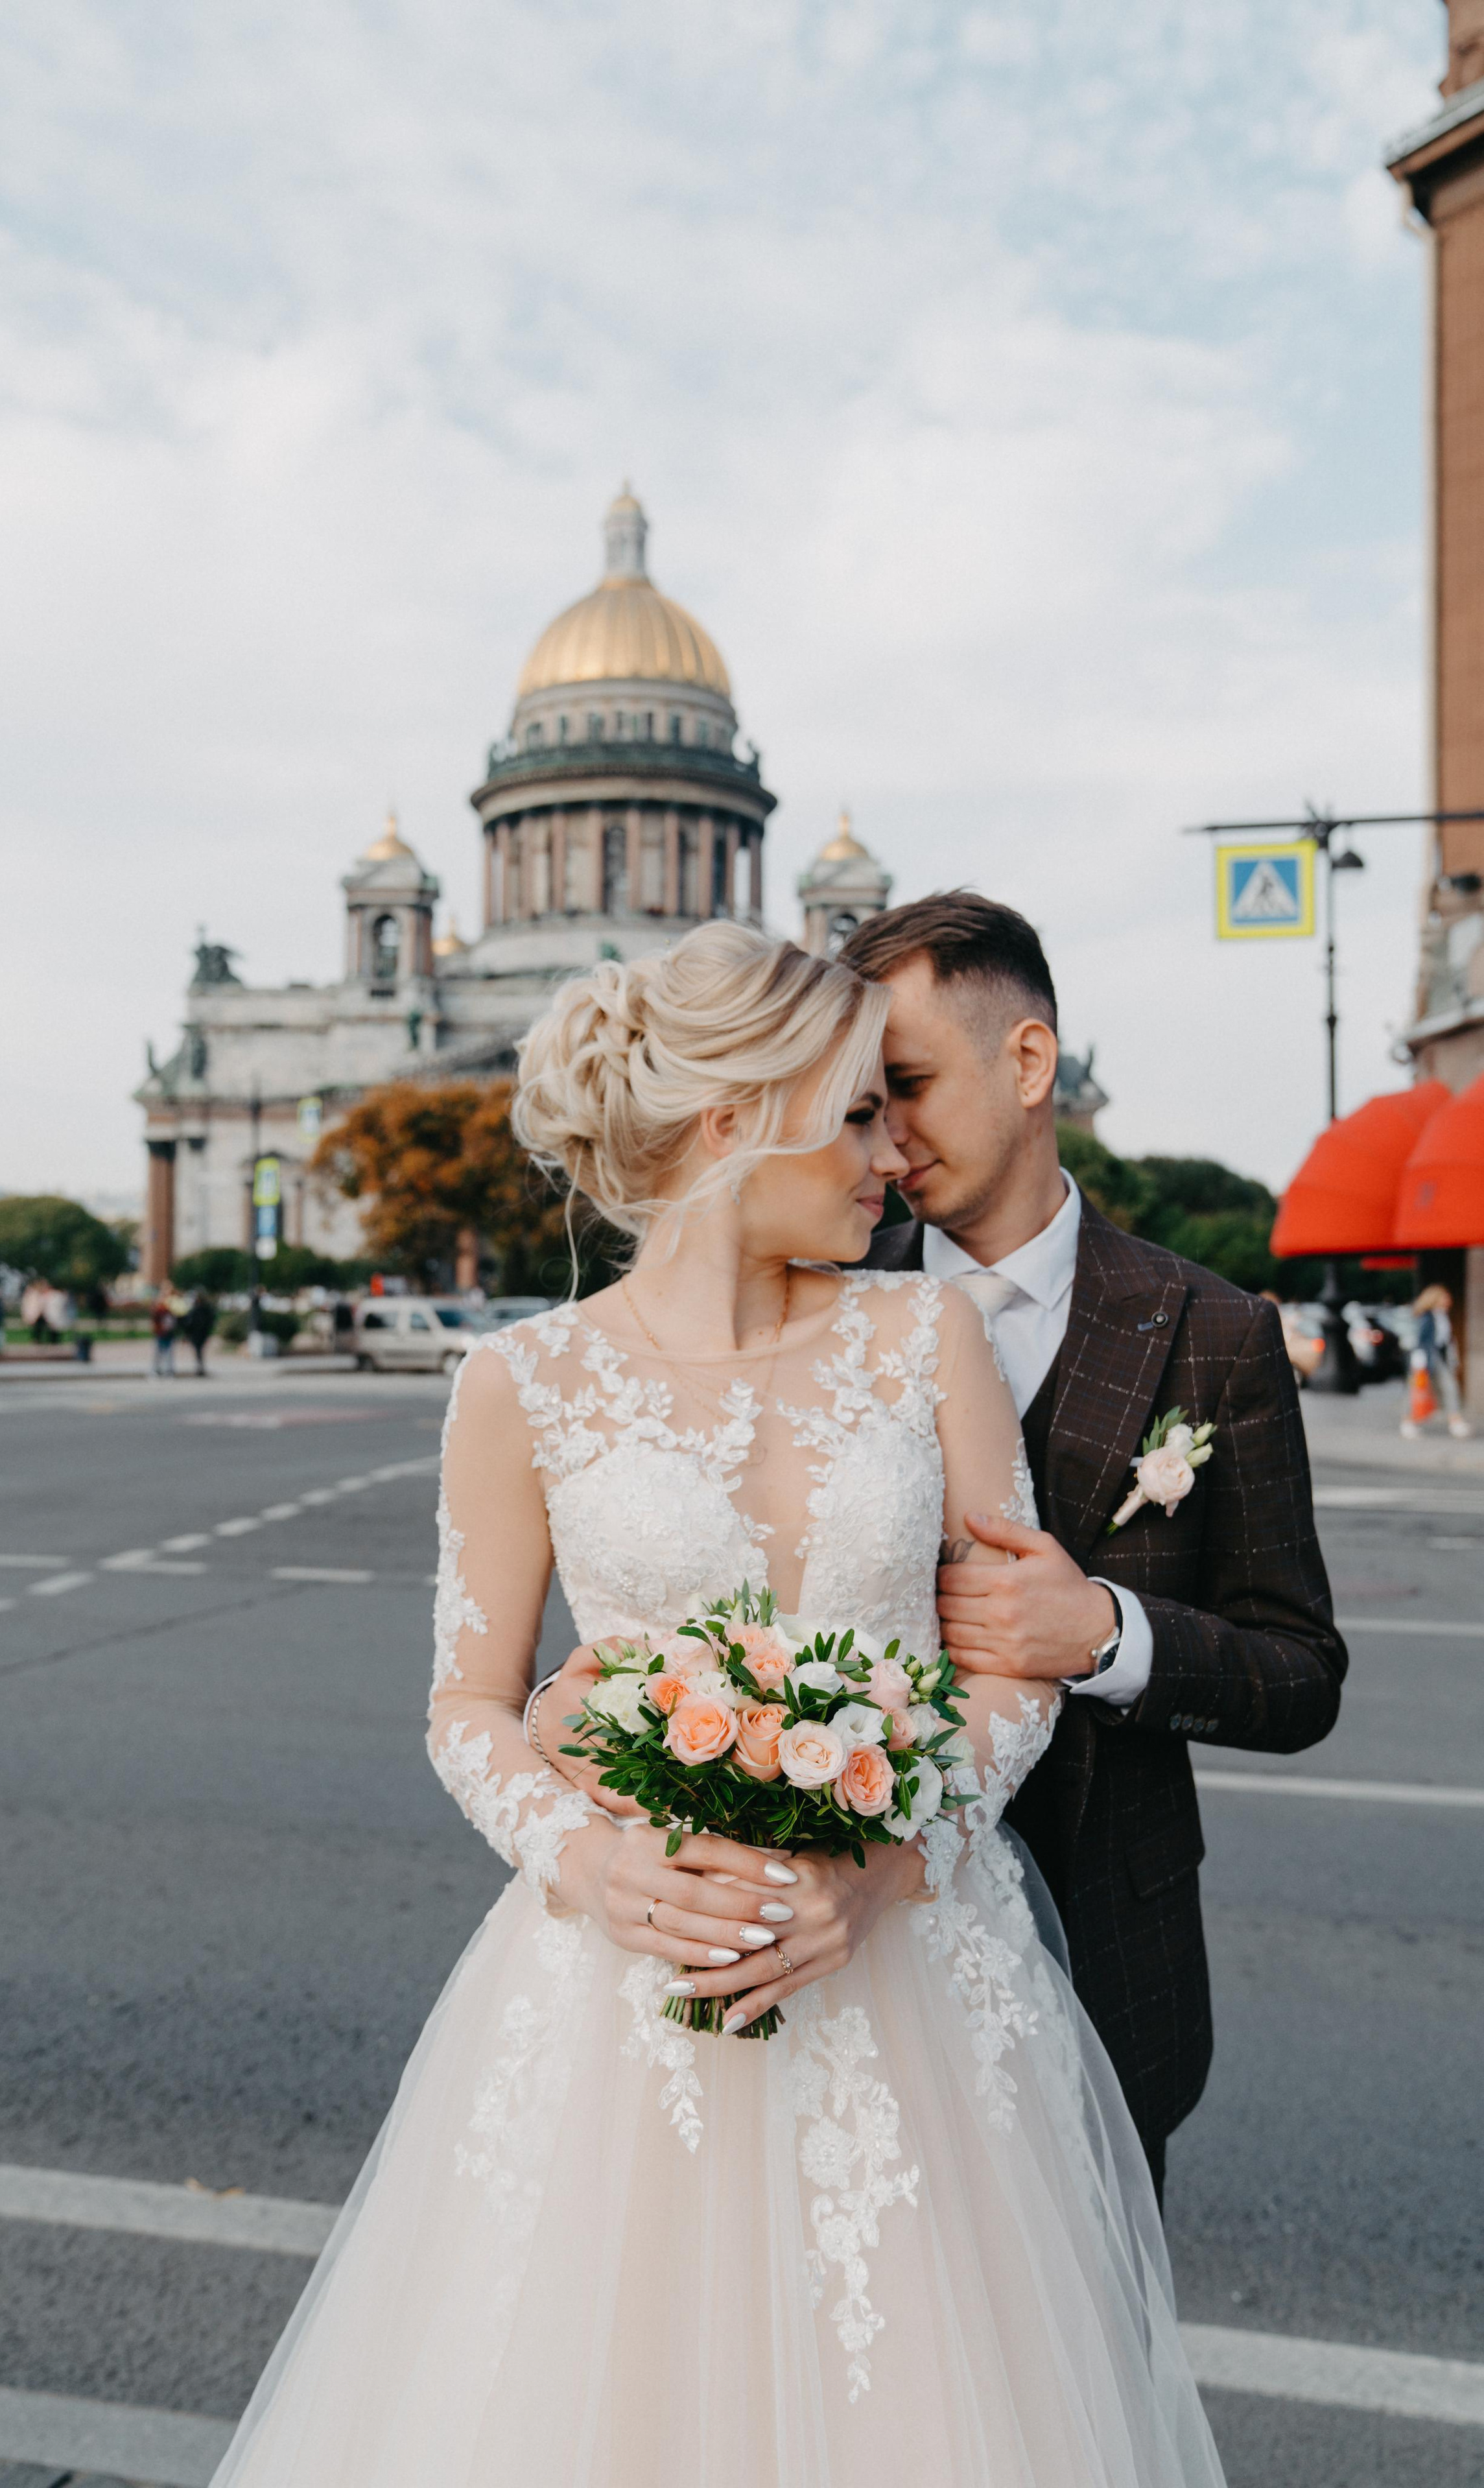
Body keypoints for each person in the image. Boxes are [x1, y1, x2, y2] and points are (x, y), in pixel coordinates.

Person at [209, 924, 1224, 2488]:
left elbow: (1004, 1667)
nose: (896, 1154)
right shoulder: (520, 1382)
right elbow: (467, 1709)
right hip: (626, 1989)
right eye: (857, 1112)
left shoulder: (921, 1338)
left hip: (916, 1982)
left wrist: (879, 1870)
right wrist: (602, 1867)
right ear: (731, 1121)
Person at [838, 894, 1345, 2201]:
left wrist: (1108, 1638)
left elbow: (1299, 1671)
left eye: (906, 1086)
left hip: (1105, 1964)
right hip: (856, 1961)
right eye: (859, 1098)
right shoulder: (827, 1302)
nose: (882, 1139)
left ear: (1025, 1062)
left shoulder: (1211, 1329)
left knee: (1092, 2384)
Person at [1402, 1283, 1471, 1439]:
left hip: (1436, 1357)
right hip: (1425, 1358)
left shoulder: (1441, 1315)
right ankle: (1408, 1422)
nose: (1449, 1300)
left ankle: (1455, 1421)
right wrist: (1419, 1361)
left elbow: (1445, 1341)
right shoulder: (1426, 1316)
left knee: (1449, 1386)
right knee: (1416, 1390)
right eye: (1445, 1297)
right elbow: (1420, 1340)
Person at [182, 1288, 215, 1377]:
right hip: (200, 1333)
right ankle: (200, 1367)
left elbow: (189, 1322)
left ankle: (200, 1367)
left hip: (198, 1333)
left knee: (198, 1351)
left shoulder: (197, 1309)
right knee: (199, 1351)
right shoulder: (205, 1309)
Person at [150, 1293, 177, 1379]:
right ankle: (161, 1370)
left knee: (165, 1354)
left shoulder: (166, 1312)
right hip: (162, 1334)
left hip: (165, 1334)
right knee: (161, 1354)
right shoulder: (160, 1312)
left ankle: (165, 1370)